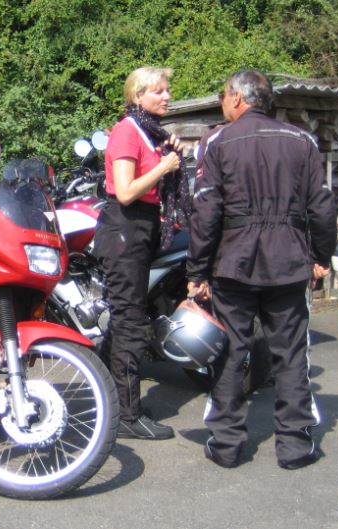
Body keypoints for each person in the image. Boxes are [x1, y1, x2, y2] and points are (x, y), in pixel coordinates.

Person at [186, 69, 337, 469]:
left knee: (230, 353)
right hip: (288, 262)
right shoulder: (302, 140)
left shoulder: (218, 141)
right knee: (291, 355)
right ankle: (295, 446)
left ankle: (227, 444)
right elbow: (323, 207)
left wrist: (197, 271)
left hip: (233, 263)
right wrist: (320, 257)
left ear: (238, 98)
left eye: (223, 95)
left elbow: (206, 211)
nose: (222, 102)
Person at [93, 66, 190, 440]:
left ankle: (111, 401)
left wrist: (169, 153)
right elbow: (125, 190)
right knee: (130, 322)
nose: (167, 96)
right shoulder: (127, 131)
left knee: (127, 319)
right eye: (159, 91)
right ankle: (127, 416)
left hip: (139, 229)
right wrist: (164, 166)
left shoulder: (150, 133)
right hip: (126, 229)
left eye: (167, 89)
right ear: (138, 95)